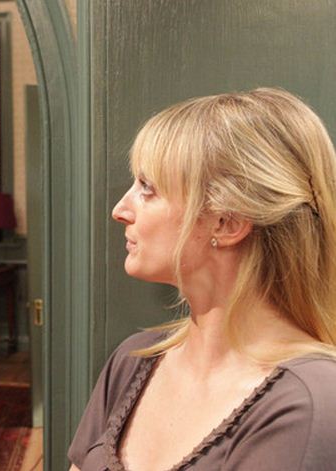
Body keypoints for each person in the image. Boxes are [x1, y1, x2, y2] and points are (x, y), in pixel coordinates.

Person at [68, 88, 336, 470]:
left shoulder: (307, 404)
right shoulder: (131, 361)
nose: (120, 210)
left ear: (227, 223)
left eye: (147, 188)